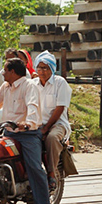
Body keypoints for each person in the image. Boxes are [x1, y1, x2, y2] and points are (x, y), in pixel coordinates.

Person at [0, 57, 54, 204]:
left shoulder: (29, 86)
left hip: (28, 133)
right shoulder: (5, 87)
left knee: (34, 167)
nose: (3, 73)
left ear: (13, 72)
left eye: (5, 70)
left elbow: (33, 106)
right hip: (8, 132)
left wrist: (28, 122)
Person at [33, 50, 71, 193]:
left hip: (57, 124)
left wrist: (46, 127)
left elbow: (60, 108)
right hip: (36, 123)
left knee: (52, 138)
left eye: (46, 68)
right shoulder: (33, 84)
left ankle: (52, 173)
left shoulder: (60, 83)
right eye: (40, 67)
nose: (42, 71)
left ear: (52, 69)